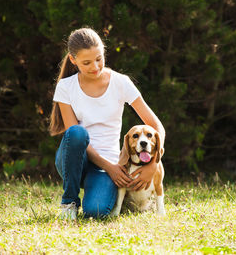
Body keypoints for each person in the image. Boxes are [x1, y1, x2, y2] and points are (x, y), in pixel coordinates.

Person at [49, 27, 165, 219]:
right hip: (75, 158)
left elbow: (156, 126)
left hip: (107, 166)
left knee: (96, 212)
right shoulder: (65, 86)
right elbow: (71, 135)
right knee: (78, 133)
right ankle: (69, 202)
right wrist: (110, 167)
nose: (95, 66)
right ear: (73, 60)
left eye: (99, 58)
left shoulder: (121, 82)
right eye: (86, 62)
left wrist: (153, 163)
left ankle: (94, 190)